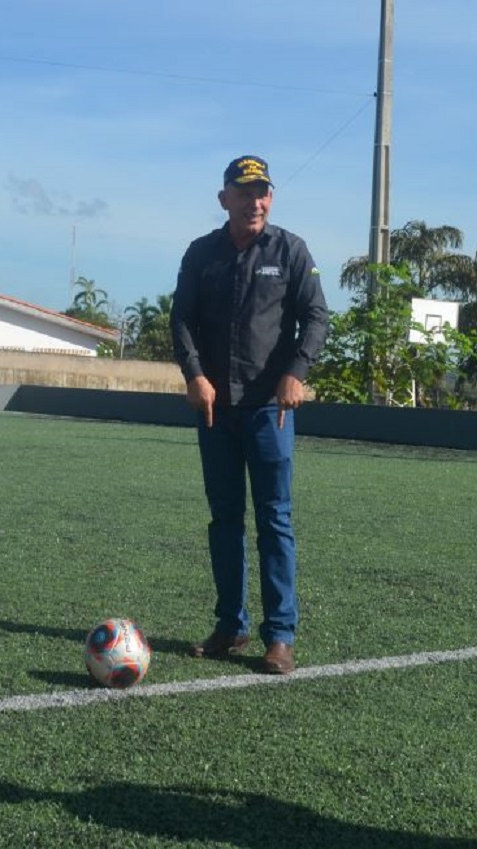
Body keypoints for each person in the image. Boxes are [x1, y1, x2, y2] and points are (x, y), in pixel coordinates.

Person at [170, 155, 328, 676]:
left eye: (262, 192)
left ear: (270, 198)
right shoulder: (201, 254)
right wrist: (194, 374)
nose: (254, 201)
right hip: (216, 411)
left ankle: (280, 636)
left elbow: (316, 317)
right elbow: (182, 320)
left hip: (269, 412)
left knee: (275, 520)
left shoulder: (290, 250)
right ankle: (230, 624)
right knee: (224, 521)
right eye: (244, 192)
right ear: (225, 200)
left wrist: (296, 371)